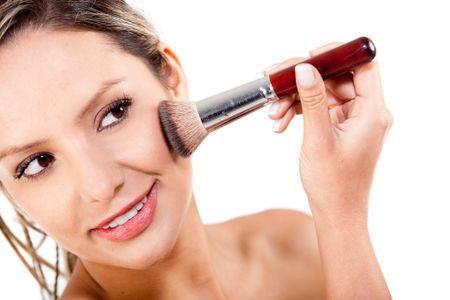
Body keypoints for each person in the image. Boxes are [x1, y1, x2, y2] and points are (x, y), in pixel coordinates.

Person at [0, 0, 393, 299]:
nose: (100, 185)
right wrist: (342, 216)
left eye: (113, 114)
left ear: (171, 78)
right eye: (36, 163)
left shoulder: (295, 244)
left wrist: (338, 214)